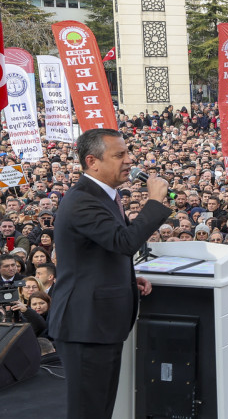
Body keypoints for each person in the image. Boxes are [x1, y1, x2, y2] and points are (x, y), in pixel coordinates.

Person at [47, 128, 173, 419]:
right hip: (85, 325)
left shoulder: (105, 195)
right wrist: (154, 202)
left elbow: (102, 252)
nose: (129, 160)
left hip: (99, 322)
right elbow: (125, 242)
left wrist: (127, 281)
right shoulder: (83, 200)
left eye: (128, 152)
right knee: (88, 411)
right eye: (120, 155)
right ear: (93, 161)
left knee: (101, 407)